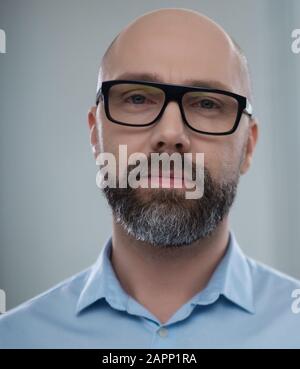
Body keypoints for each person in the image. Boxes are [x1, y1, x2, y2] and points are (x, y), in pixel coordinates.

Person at [0, 8, 299, 349]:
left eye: (206, 103)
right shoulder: (15, 338)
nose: (170, 133)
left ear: (248, 146)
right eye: (138, 98)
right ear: (96, 135)